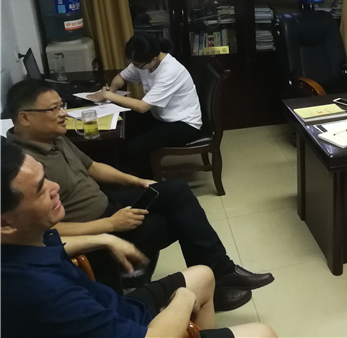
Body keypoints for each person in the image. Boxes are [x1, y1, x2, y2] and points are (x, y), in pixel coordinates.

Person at [5, 79, 274, 311]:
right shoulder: (21, 170)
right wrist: (110, 225)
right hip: (93, 230)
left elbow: (93, 167)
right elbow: (46, 231)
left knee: (176, 191)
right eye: (53, 109)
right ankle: (212, 287)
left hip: (108, 203)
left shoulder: (53, 136)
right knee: (177, 222)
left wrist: (137, 181)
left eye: (61, 105)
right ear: (25, 117)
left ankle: (221, 273)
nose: (63, 113)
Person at [1, 139, 277, 338]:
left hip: (118, 307)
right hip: (132, 325)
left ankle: (223, 272)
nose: (55, 187)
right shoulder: (45, 293)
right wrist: (182, 299)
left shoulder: (24, 240)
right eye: (40, 189)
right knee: (263, 332)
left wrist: (103, 239)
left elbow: (57, 243)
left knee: (203, 273)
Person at [88, 34, 202, 179]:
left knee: (136, 148)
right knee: (122, 124)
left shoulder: (170, 70)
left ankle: (149, 182)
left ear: (153, 59)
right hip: (161, 116)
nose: (135, 67)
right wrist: (112, 90)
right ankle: (122, 172)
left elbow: (142, 107)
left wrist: (108, 95)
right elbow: (121, 77)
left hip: (184, 124)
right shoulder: (144, 61)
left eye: (137, 65)